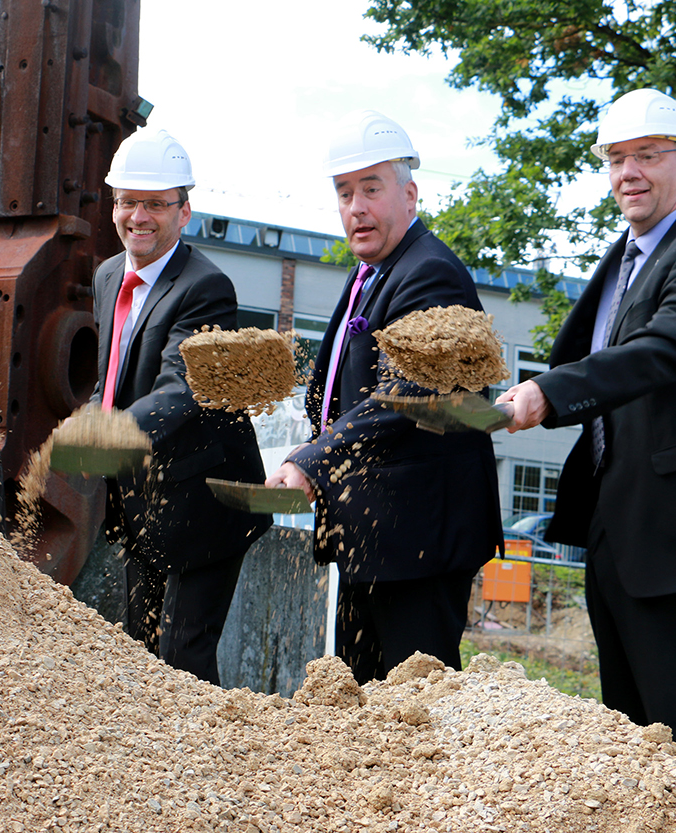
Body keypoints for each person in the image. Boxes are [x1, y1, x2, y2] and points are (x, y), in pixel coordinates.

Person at [495, 88, 676, 800]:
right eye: (617, 158)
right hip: (621, 527)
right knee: (630, 735)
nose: (629, 171)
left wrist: (548, 390)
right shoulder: (625, 259)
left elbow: (666, 349)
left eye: (648, 156)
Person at [265, 110, 502, 684]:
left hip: (418, 541)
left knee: (414, 707)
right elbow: (345, 388)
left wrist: (312, 461)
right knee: (367, 705)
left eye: (372, 189)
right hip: (378, 534)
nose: (356, 207)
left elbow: (406, 392)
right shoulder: (373, 271)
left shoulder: (430, 273)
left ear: (410, 193)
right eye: (345, 193)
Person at [91, 128, 272, 685]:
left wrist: (106, 434)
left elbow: (182, 389)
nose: (138, 216)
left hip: (208, 500)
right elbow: (114, 380)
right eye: (127, 201)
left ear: (184, 211)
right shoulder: (105, 276)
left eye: (155, 204)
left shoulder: (206, 287)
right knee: (138, 650)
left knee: (181, 655)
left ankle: (206, 766)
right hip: (144, 498)